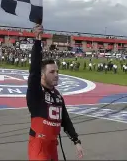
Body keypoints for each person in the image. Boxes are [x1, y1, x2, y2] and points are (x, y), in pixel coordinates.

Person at [27, 24, 83, 161]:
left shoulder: (57, 95)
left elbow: (66, 120)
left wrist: (76, 141)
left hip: (53, 146)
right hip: (38, 145)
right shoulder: (36, 93)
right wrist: (38, 40)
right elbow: (34, 70)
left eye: (57, 71)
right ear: (42, 75)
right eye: (52, 72)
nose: (56, 74)